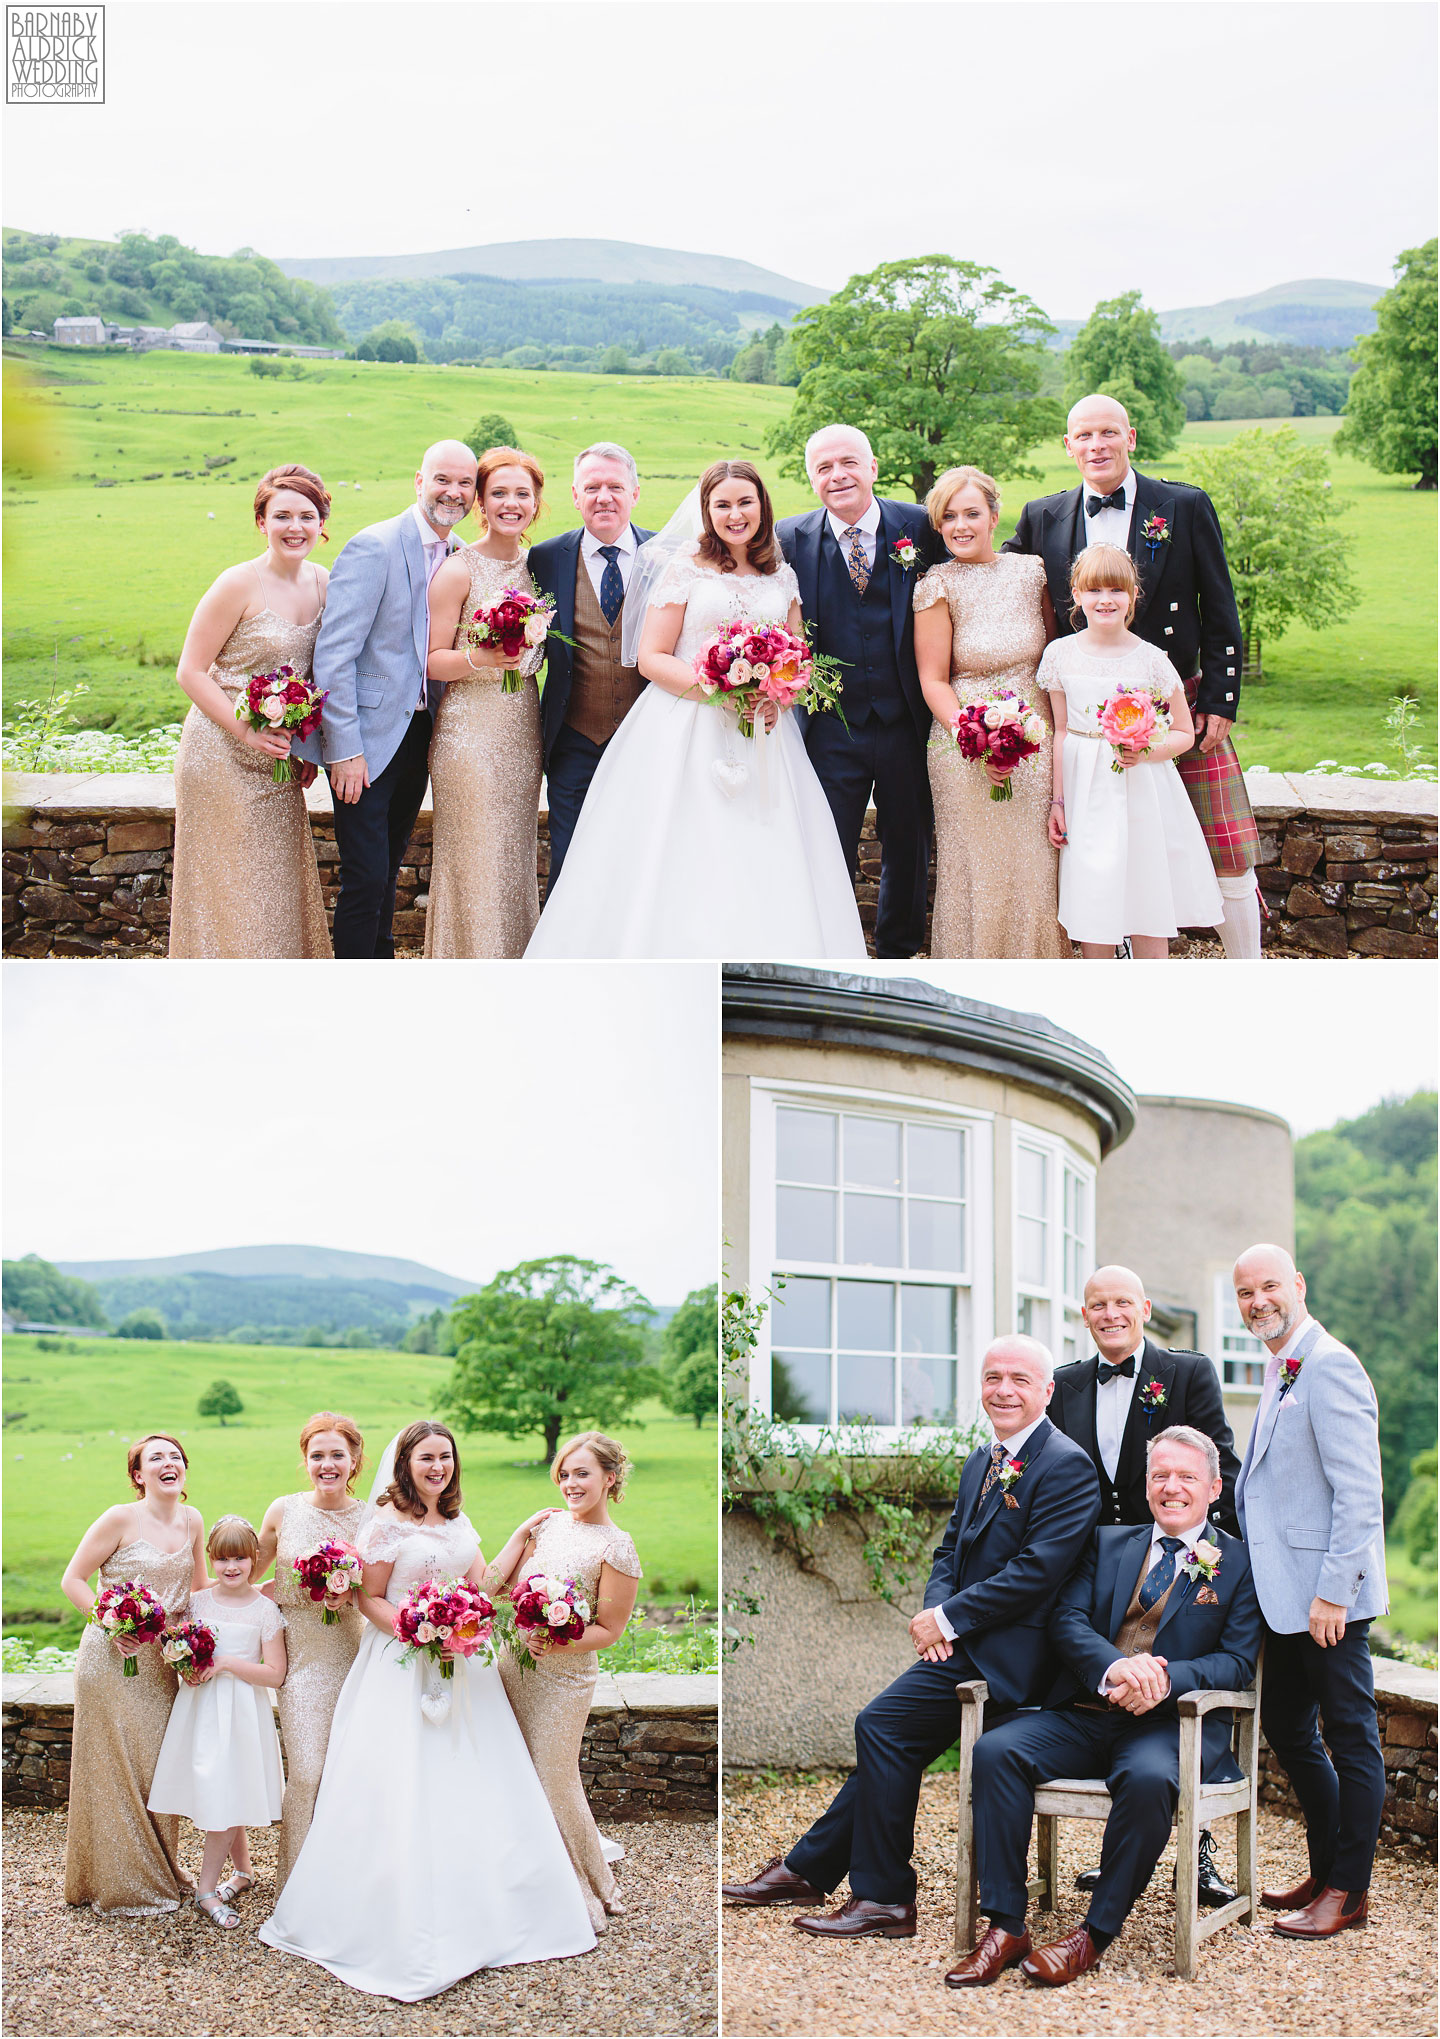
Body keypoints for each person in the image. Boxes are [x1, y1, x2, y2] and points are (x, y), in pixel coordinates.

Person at [721, 1338, 1100, 1937]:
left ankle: (885, 1899)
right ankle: (809, 1868)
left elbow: (1037, 1571)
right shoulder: (984, 1457)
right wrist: (935, 1617)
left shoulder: (1067, 1465)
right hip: (967, 1640)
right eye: (992, 1376)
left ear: (1047, 1390)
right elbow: (950, 1549)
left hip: (1017, 1657)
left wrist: (948, 1622)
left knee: (881, 1727)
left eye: (1019, 1380)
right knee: (889, 1743)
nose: (1003, 1389)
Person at [258, 1421, 595, 1999]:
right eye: (426, 1459)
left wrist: (515, 1542)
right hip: (397, 1665)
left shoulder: (458, 1521)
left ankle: (488, 1907)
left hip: (463, 1667)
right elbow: (368, 1596)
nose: (437, 1467)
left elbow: (482, 1584)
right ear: (405, 1465)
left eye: (445, 1457)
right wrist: (418, 1630)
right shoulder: (387, 1521)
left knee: (476, 1781)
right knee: (400, 1782)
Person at [951, 1426, 1261, 1988]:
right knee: (996, 1751)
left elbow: (1237, 1663)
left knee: (1146, 1780)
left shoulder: (1239, 1564)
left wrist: (1163, 1677)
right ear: (1146, 1485)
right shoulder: (1106, 1542)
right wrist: (1115, 1667)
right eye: (1160, 1475)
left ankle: (1093, 1934)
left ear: (1214, 1488)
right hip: (1085, 1711)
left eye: (1186, 1477)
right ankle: (1005, 1923)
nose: (1171, 1487)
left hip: (1171, 1728)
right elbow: (1065, 1622)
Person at [525, 460, 866, 959]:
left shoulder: (781, 574)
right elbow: (651, 656)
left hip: (764, 740)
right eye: (722, 504)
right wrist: (721, 688)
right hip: (683, 731)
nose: (735, 514)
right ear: (706, 511)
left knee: (763, 853)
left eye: (745, 502)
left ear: (762, 507)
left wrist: (778, 695)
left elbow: (799, 656)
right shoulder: (684, 567)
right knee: (682, 851)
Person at [1003, 394, 1262, 958]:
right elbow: (1005, 589)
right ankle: (1116, 952)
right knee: (1100, 849)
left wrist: (1220, 697)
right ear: (1068, 446)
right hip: (1084, 715)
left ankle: (1250, 967)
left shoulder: (1184, 505)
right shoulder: (1042, 516)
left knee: (1227, 845)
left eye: (1108, 433)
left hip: (1178, 703)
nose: (1097, 446)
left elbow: (1220, 607)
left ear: (1131, 437)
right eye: (1084, 436)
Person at [1048, 1263, 1242, 1906]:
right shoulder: (1065, 1384)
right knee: (1095, 1697)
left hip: (1181, 1558)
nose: (1111, 1313)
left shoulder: (1185, 1373)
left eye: (1122, 1302)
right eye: (1097, 1303)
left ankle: (1200, 1855)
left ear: (1145, 1307)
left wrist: (1223, 1560)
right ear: (1085, 1314)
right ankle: (1116, 1856)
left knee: (1172, 1707)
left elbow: (1221, 1467)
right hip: (1095, 1572)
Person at [1232, 1243, 1388, 1940]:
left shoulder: (1331, 1364)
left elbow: (1359, 1492)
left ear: (1296, 1285)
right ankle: (1325, 1867)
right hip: (1282, 1597)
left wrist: (1335, 1592)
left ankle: (1348, 1891)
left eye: (1269, 1286)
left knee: (1351, 1739)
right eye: (1244, 1292)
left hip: (1328, 1601)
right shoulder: (1279, 1367)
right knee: (1290, 1729)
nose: (1257, 1300)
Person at [305, 440, 477, 957]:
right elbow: (334, 656)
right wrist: (344, 749)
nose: (454, 491)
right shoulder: (374, 546)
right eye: (442, 479)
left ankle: (380, 971)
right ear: (419, 482)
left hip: (420, 734)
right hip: (366, 738)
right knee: (364, 875)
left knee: (390, 867)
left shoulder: (462, 554)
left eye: (465, 483)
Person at [778, 426, 936, 958]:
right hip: (829, 725)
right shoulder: (788, 538)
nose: (837, 475)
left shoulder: (919, 524)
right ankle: (833, 948)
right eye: (823, 468)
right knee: (826, 845)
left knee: (909, 844)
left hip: (906, 720)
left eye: (848, 462)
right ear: (811, 479)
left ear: (873, 466)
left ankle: (899, 950)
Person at [169, 465, 331, 958]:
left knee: (276, 882)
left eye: (307, 515)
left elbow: (321, 677)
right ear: (261, 521)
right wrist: (246, 732)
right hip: (220, 755)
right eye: (281, 515)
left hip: (279, 758)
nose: (294, 527)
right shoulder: (236, 584)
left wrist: (305, 746)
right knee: (231, 884)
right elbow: (191, 671)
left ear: (322, 521)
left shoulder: (326, 582)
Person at [912, 465, 1069, 958]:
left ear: (994, 516)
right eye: (949, 517)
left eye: (972, 514)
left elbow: (1053, 655)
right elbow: (933, 678)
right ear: (938, 526)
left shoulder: (1032, 572)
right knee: (976, 866)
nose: (961, 526)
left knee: (1037, 865)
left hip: (1037, 744)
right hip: (962, 745)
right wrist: (973, 738)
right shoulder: (935, 586)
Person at [1041, 546, 1225, 955]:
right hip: (1084, 789)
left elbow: (1182, 733)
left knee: (1146, 891)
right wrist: (1058, 801)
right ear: (1076, 593)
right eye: (1094, 590)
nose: (1105, 600)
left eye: (1116, 590)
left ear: (1133, 595)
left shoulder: (1152, 660)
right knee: (1094, 895)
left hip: (1141, 789)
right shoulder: (1059, 655)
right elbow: (1061, 730)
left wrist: (1146, 751)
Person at [495, 1431, 643, 1932]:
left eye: (582, 1473)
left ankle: (588, 1886)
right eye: (564, 1473)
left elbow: (609, 1630)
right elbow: (496, 1590)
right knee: (513, 1773)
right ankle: (528, 1881)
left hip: (565, 1678)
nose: (570, 1483)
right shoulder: (547, 1527)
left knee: (554, 1777)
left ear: (610, 1477)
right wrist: (518, 1537)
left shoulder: (616, 1547)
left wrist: (558, 1641)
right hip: (514, 1667)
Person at [60, 1434, 207, 1914]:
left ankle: (162, 1867)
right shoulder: (120, 1518)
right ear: (138, 1475)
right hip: (111, 1660)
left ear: (184, 1470)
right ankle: (121, 1881)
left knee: (157, 1767)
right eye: (156, 1458)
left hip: (161, 1666)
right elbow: (73, 1580)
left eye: (176, 1457)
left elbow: (199, 1590)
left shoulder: (194, 1520)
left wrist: (251, 1595)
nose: (169, 1463)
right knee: (114, 1769)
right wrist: (109, 1623)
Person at [423, 446, 548, 956]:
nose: (510, 503)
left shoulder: (540, 568)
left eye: (522, 493)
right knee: (474, 856)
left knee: (513, 856)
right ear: (481, 501)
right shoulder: (459, 569)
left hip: (522, 732)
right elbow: (432, 661)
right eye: (499, 493)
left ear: (537, 503)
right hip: (468, 736)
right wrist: (482, 658)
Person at [148, 1516, 287, 1928]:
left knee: (231, 1789)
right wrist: (184, 1665)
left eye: (240, 1559)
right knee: (226, 1789)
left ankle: (205, 1889)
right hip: (202, 1710)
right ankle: (242, 1872)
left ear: (254, 1559)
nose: (231, 1568)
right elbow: (175, 1646)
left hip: (241, 1710)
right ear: (210, 1559)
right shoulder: (199, 1602)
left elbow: (276, 1673)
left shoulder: (265, 1610)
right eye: (222, 1559)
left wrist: (225, 1662)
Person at [527, 443, 654, 896]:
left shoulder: (668, 555)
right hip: (574, 740)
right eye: (593, 487)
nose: (605, 497)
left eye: (615, 487)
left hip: (652, 741)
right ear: (576, 496)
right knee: (571, 862)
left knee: (646, 861)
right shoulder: (544, 558)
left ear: (635, 493)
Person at [254, 1412, 368, 1895]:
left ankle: (349, 1882)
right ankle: (296, 1888)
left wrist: (355, 1593)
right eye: (317, 1455)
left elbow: (383, 1589)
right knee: (307, 1772)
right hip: (299, 1660)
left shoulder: (371, 1518)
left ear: (355, 1460)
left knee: (353, 1773)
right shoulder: (283, 1510)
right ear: (304, 1461)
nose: (327, 1464)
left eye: (337, 1455)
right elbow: (246, 1570)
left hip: (356, 1657)